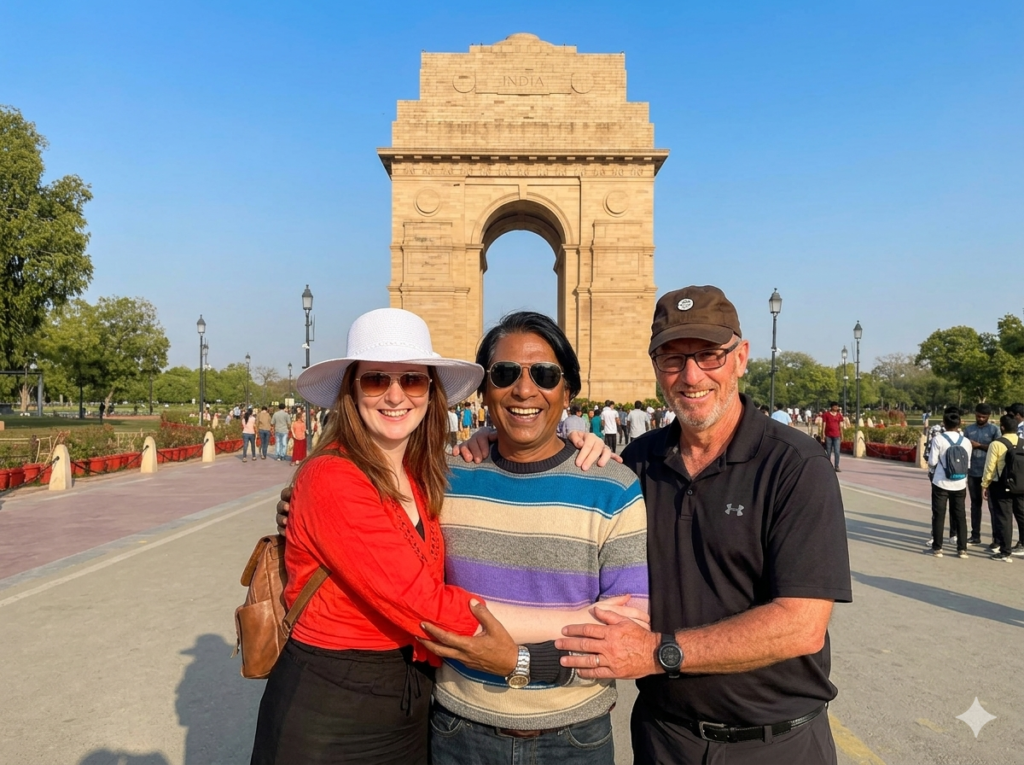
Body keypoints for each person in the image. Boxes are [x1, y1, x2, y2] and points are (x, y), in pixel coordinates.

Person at [264, 309, 645, 764]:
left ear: (568, 391)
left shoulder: (428, 473)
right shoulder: (402, 476)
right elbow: (426, 603)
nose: (394, 395)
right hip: (348, 711)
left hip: (443, 714)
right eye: (374, 380)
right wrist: (577, 620)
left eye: (412, 381)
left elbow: (632, 624)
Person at [554, 285, 852, 764]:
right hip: (665, 739)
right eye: (673, 359)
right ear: (655, 369)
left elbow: (801, 625)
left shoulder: (796, 465)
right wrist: (502, 441)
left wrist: (658, 652)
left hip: (775, 745)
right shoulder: (636, 463)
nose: (691, 376)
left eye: (710, 355)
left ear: (742, 356)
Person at [417, 311, 649, 764]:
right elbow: (417, 595)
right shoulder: (442, 478)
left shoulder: (613, 486)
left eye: (544, 375)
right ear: (484, 390)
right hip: (459, 729)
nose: (524, 390)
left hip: (574, 735)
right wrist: (296, 501)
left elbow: (630, 625)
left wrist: (517, 660)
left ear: (568, 393)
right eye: (504, 374)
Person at [926, 410, 971, 558]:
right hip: (959, 483)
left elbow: (932, 461)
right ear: (959, 424)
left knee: (939, 514)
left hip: (940, 482)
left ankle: (938, 547)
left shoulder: (938, 439)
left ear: (944, 423)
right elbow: (967, 464)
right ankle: (962, 548)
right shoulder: (966, 441)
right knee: (960, 515)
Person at [982, 414, 1023, 562]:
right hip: (1021, 485)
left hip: (1001, 484)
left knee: (1004, 518)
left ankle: (1005, 551)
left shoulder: (996, 444)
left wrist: (985, 484)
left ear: (1002, 427)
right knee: (1021, 515)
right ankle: (1022, 544)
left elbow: (990, 467)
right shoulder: (1022, 442)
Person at [964, 403, 999, 545]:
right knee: (975, 504)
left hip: (989, 473)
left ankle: (996, 539)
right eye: (978, 416)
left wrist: (980, 446)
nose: (980, 418)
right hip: (973, 472)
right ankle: (975, 535)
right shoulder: (969, 429)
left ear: (988, 416)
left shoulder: (994, 430)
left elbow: (997, 448)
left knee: (993, 506)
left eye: (983, 417)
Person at [819, 402, 845, 472]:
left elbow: (840, 426)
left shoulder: (839, 415)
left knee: (837, 451)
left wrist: (842, 434)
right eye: (835, 406)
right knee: (828, 451)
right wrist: (823, 434)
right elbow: (824, 424)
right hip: (828, 435)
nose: (836, 408)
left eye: (837, 407)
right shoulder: (826, 415)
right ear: (832, 407)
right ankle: (828, 466)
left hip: (837, 435)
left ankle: (836, 466)